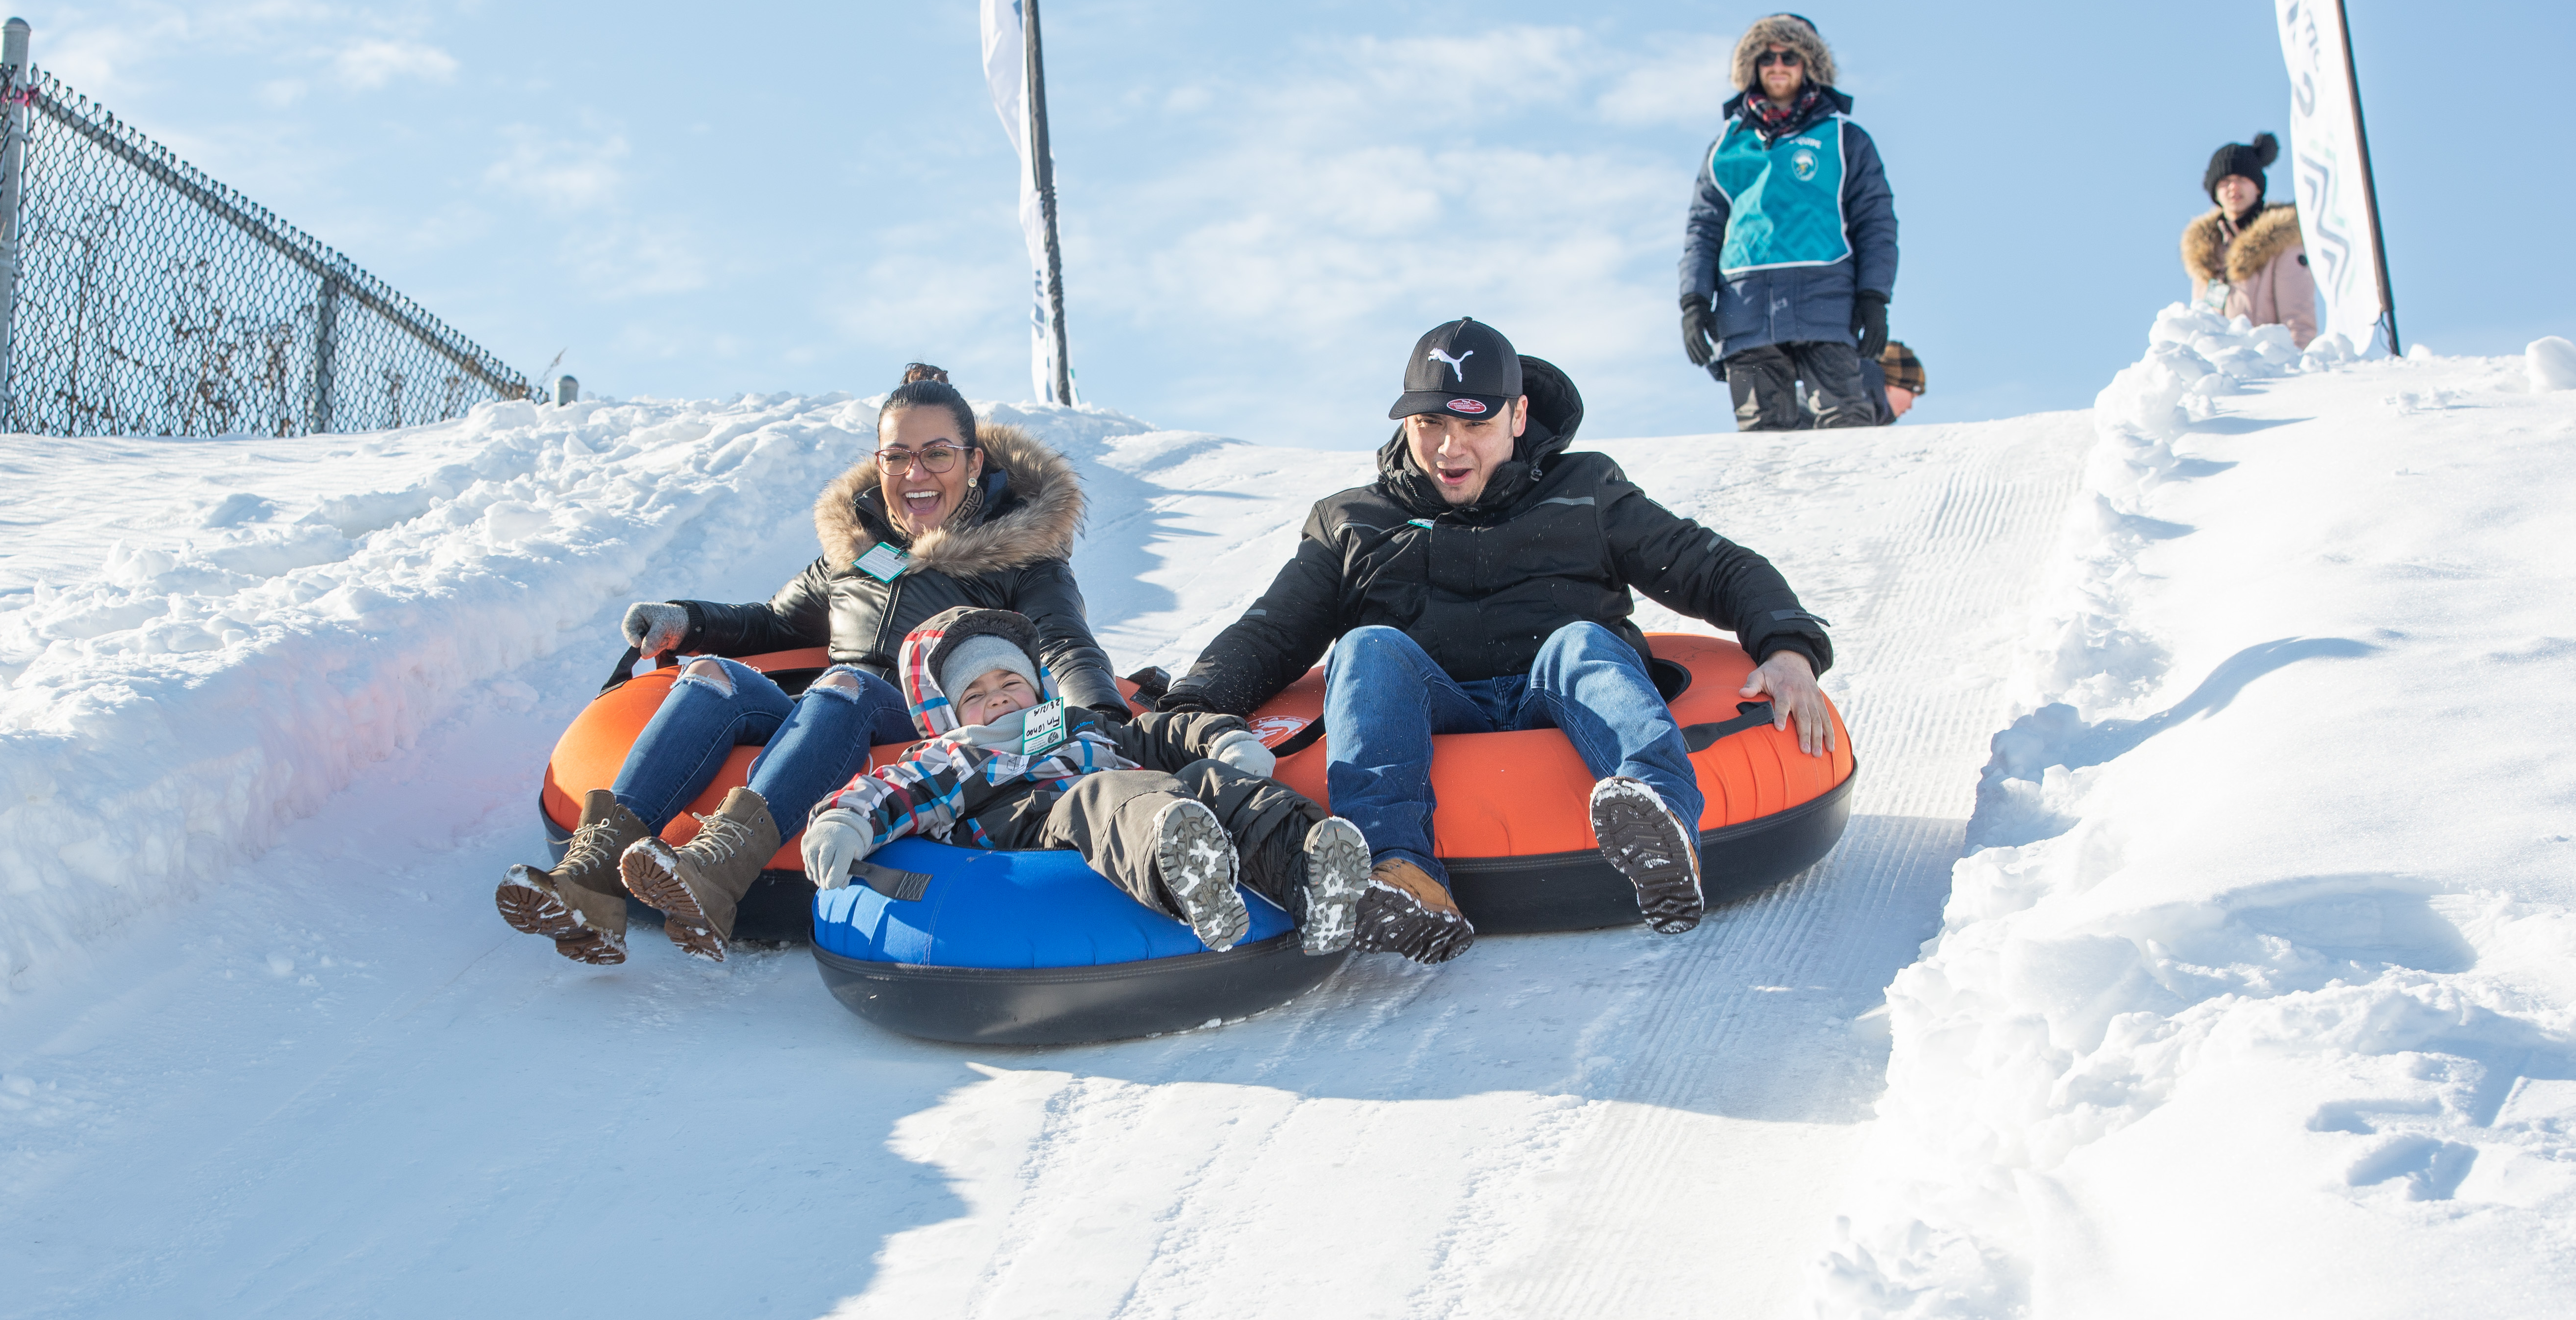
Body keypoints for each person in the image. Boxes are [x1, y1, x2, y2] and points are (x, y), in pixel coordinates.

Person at [1154, 318, 1839, 959]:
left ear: (1517, 416)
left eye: (1474, 424)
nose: (1449, 448)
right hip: (1437, 704)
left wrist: (1787, 647)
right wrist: (1182, 710)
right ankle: (1401, 874)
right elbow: (1272, 632)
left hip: (1559, 691)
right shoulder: (1353, 521)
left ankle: (1659, 826)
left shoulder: (1586, 490)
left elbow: (1715, 566)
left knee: (1582, 642)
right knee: (1365, 648)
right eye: (1429, 423)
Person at [497, 363, 1119, 965]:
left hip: (931, 725)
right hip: (832, 712)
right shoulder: (862, 552)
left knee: (844, 684)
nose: (915, 473)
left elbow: (1064, 644)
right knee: (711, 676)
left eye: (937, 454)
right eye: (897, 456)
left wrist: (1100, 716)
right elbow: (776, 621)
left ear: (974, 461)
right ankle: (590, 876)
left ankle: (718, 870)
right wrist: (688, 620)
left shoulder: (1022, 559)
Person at [787, 606, 1382, 960]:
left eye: (1010, 682)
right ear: (946, 713)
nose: (998, 698)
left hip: (1152, 802)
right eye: (975, 693)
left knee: (1208, 778)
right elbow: (891, 788)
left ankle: (1311, 870)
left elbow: (1160, 733)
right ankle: (1186, 875)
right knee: (1102, 794)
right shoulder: (953, 756)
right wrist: (844, 821)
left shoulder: (1076, 725)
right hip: (1044, 826)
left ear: (1037, 685)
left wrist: (1223, 740)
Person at [1678, 13, 1901, 433]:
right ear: (1752, 67)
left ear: (1809, 66)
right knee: (1763, 443)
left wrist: (1874, 298)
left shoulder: (1844, 140)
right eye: (1767, 58)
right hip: (1744, 307)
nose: (1777, 66)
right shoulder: (1725, 148)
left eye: (1789, 57)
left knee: (1846, 428)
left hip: (1827, 302)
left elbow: (1876, 224)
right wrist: (1694, 301)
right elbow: (1703, 229)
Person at [2182, 134, 2318, 348]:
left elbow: (2299, 323)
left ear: (2258, 188)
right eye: (2225, 181)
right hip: (2221, 366)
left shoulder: (2282, 243)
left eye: (2242, 179)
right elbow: (2200, 327)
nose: (2233, 187)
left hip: (2268, 364)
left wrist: (2295, 364)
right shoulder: (2206, 255)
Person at [1810, 340, 1925, 424]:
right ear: (1892, 385)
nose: (1910, 407)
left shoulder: (1863, 409)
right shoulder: (1850, 406)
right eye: (1912, 396)